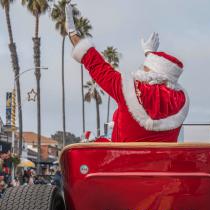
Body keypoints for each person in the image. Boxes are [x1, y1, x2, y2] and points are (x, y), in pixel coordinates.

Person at [65, 3, 189, 143]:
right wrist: (150, 54)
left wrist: (72, 33)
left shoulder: (127, 89)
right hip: (161, 164)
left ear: (151, 72)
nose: (141, 69)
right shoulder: (181, 101)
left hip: (122, 162)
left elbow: (96, 64)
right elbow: (163, 81)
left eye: (145, 67)